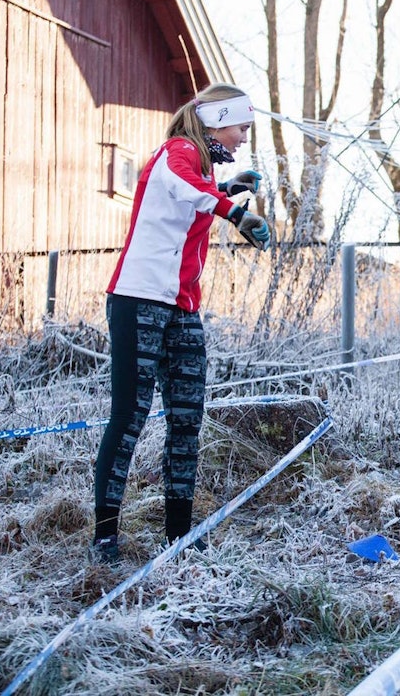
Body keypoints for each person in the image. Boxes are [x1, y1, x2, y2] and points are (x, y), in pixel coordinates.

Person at [91, 83, 270, 563]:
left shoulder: (201, 167)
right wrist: (232, 210)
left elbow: (194, 194)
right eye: (240, 128)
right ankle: (105, 536)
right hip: (139, 298)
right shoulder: (177, 151)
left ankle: (179, 536)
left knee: (187, 420)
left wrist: (228, 190)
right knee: (129, 415)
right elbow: (181, 187)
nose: (242, 139)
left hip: (184, 307)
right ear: (215, 121)